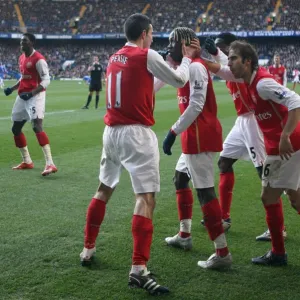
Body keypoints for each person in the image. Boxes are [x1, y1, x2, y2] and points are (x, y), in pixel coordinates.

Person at [79, 14, 199, 295]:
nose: (153, 37)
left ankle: (87, 248)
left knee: (103, 188)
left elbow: (147, 84)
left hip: (111, 133)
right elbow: (181, 79)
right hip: (136, 133)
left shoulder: (115, 57)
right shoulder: (147, 54)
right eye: (152, 33)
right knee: (145, 198)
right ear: (144, 33)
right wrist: (187, 57)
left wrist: (167, 63)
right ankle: (138, 269)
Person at [206, 40, 300, 266]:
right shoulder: (245, 78)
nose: (229, 63)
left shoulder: (261, 84)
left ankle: (278, 253)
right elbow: (222, 69)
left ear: (247, 62)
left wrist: (286, 135)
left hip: (286, 146)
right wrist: (196, 59)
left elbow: (296, 100)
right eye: (227, 58)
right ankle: (278, 252)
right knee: (295, 198)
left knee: (268, 196)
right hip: (280, 145)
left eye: (233, 58)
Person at [158, 27, 232, 270]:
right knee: (180, 178)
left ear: (185, 44)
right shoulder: (187, 66)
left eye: (172, 42)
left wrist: (172, 132)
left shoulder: (197, 67)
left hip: (200, 134)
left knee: (205, 191)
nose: (169, 45)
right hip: (194, 134)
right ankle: (185, 236)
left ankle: (222, 252)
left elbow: (196, 104)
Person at [3, 33, 57, 176]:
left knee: (36, 125)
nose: (22, 43)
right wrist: (12, 88)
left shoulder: (39, 59)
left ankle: (50, 164)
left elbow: (46, 80)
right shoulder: (21, 58)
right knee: (15, 128)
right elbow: (23, 77)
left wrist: (32, 93)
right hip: (22, 95)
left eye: (25, 41)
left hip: (35, 96)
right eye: (21, 41)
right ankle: (27, 161)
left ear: (32, 43)